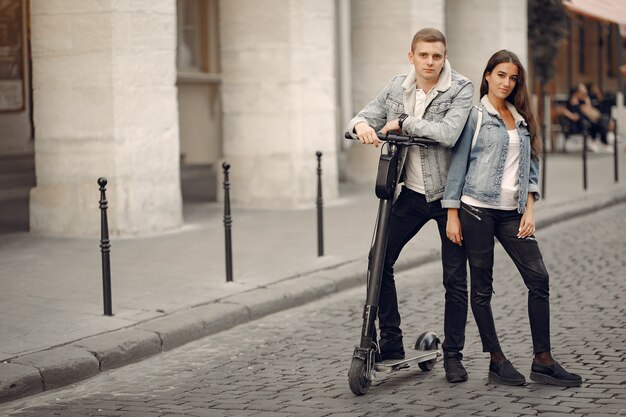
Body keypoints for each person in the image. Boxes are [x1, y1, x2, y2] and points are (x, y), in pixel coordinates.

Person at [443, 50, 583, 387]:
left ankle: (543, 360)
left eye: (513, 77)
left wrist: (530, 208)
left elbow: (532, 167)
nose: (507, 82)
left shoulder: (521, 117)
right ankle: (497, 360)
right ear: (488, 75)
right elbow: (458, 165)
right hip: (475, 209)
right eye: (501, 75)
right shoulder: (474, 115)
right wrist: (452, 214)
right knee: (482, 289)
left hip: (512, 213)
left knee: (539, 279)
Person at [348, 27, 473, 383]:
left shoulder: (460, 88)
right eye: (424, 55)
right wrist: (363, 129)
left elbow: (448, 133)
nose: (430, 62)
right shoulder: (397, 86)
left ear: (444, 57)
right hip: (413, 195)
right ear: (412, 56)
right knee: (378, 259)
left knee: (454, 278)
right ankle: (390, 342)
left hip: (452, 198)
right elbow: (363, 116)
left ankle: (453, 355)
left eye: (437, 56)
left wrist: (403, 122)